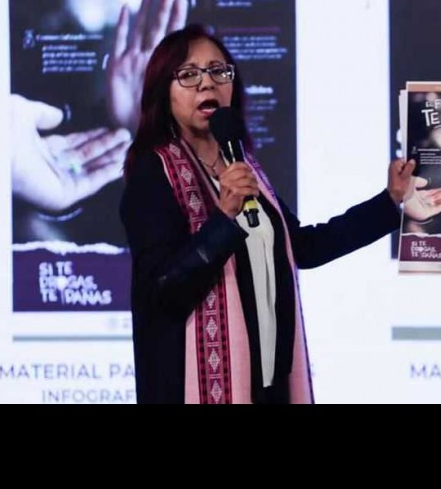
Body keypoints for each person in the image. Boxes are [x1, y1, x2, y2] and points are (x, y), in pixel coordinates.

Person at [120, 24, 415, 404]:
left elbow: (303, 247)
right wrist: (224, 218)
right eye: (189, 74)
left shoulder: (245, 167)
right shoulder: (153, 173)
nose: (207, 84)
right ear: (165, 93)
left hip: (268, 383)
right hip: (191, 387)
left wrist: (390, 200)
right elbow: (160, 292)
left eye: (218, 71)